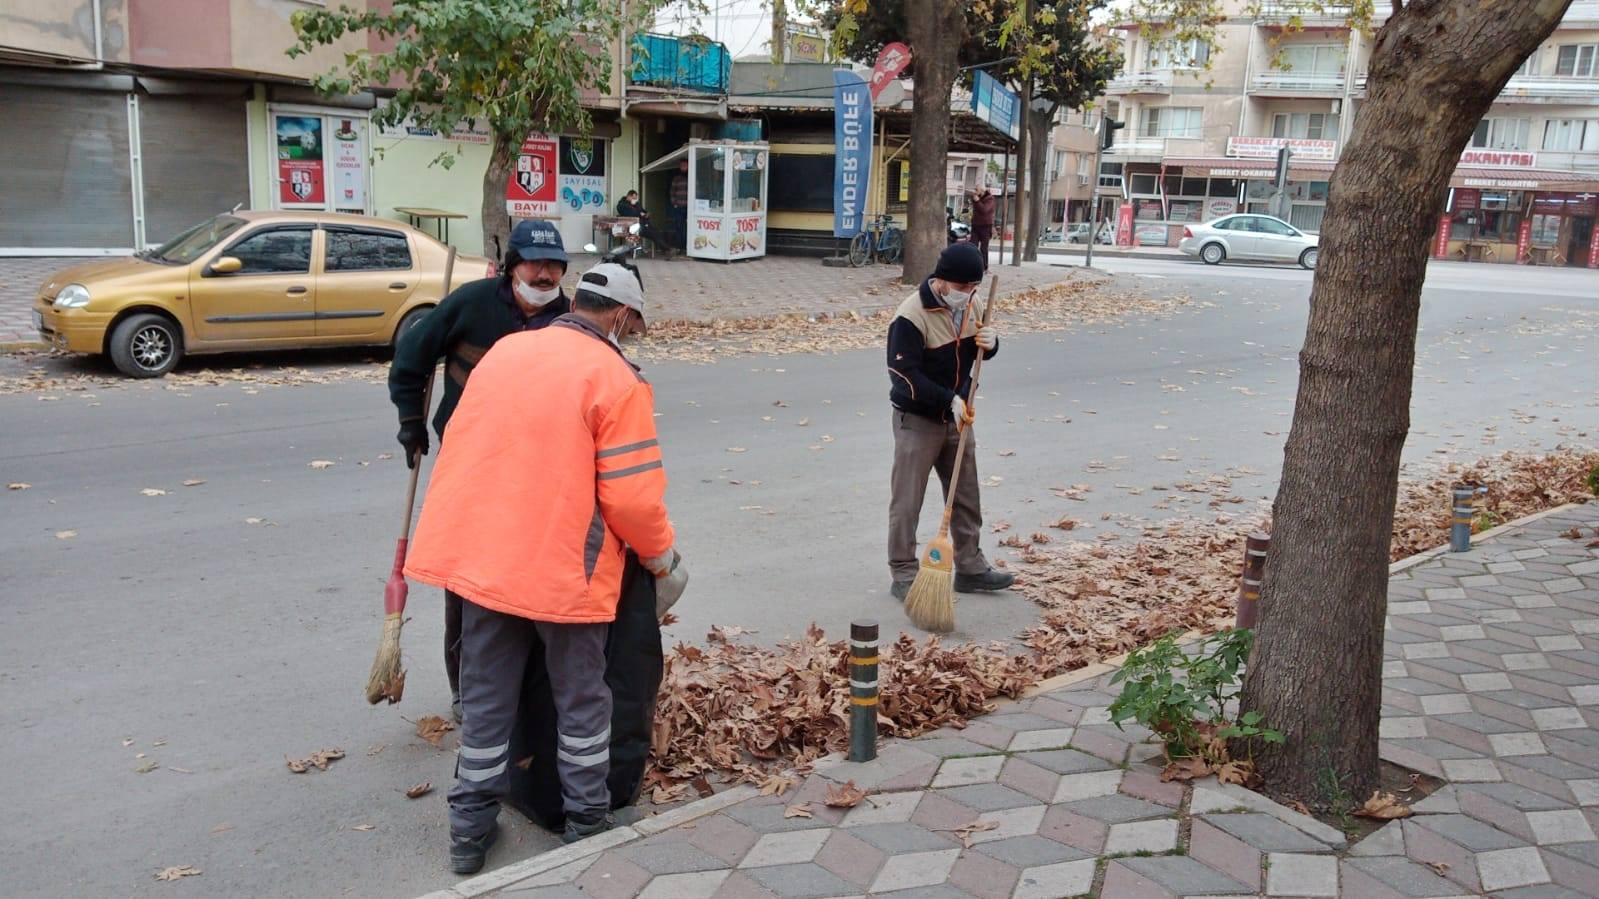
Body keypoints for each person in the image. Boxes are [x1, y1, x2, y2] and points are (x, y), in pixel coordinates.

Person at [402, 261, 684, 875]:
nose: (631, 336)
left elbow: (463, 441)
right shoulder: (614, 377)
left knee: (484, 699)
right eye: (633, 326)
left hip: (482, 558)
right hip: (563, 570)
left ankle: (468, 830)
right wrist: (661, 556)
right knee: (582, 700)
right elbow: (633, 498)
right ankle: (586, 821)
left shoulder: (505, 354)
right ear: (622, 316)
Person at [388, 218, 571, 723]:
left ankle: (522, 686)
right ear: (513, 264)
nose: (544, 273)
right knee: (468, 580)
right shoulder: (471, 304)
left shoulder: (566, 320)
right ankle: (466, 691)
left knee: (523, 580)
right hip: (469, 463)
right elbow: (411, 357)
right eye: (535, 262)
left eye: (554, 264)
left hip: (536, 470)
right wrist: (411, 422)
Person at [885, 241, 1014, 601]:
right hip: (918, 418)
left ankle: (971, 568)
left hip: (958, 416)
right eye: (962, 288)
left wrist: (992, 343)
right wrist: (948, 399)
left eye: (973, 287)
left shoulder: (972, 303)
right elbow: (902, 373)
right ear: (941, 281)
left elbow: (973, 354)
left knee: (966, 494)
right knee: (907, 500)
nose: (969, 294)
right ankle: (904, 573)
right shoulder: (911, 315)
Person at [615, 190, 673, 257]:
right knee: (654, 234)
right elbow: (631, 214)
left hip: (643, 224)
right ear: (628, 196)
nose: (635, 200)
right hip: (634, 227)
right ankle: (668, 250)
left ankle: (667, 249)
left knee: (658, 232)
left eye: (636, 198)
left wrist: (646, 214)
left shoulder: (636, 204)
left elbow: (643, 211)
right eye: (633, 198)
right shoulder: (621, 205)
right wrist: (640, 214)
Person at [969, 187, 997, 268]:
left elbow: (984, 210)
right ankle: (972, 265)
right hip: (975, 225)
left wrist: (977, 200)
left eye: (976, 189)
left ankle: (984, 266)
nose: (975, 191)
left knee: (984, 248)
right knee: (972, 246)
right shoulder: (976, 198)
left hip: (986, 226)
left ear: (982, 190)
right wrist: (975, 199)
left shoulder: (990, 199)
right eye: (974, 189)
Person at [669, 158, 690, 252]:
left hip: (690, 208)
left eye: (685, 165)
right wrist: (675, 204)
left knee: (690, 227)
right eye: (682, 166)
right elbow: (672, 192)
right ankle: (680, 247)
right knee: (679, 227)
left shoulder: (692, 177)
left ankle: (688, 247)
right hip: (679, 207)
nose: (683, 167)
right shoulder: (676, 178)